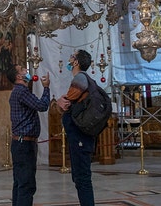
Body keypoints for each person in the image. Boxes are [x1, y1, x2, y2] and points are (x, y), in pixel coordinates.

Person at [6, 64, 51, 206]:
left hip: (20, 143)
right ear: (19, 76)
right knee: (27, 184)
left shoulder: (17, 91)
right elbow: (42, 106)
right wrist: (46, 87)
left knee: (19, 183)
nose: (27, 71)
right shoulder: (22, 91)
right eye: (24, 70)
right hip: (24, 144)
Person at [56, 49, 96, 206]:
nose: (69, 58)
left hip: (80, 136)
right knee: (80, 176)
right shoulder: (86, 79)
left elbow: (66, 104)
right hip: (81, 136)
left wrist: (59, 101)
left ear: (76, 62)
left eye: (72, 56)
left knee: (82, 178)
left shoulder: (80, 78)